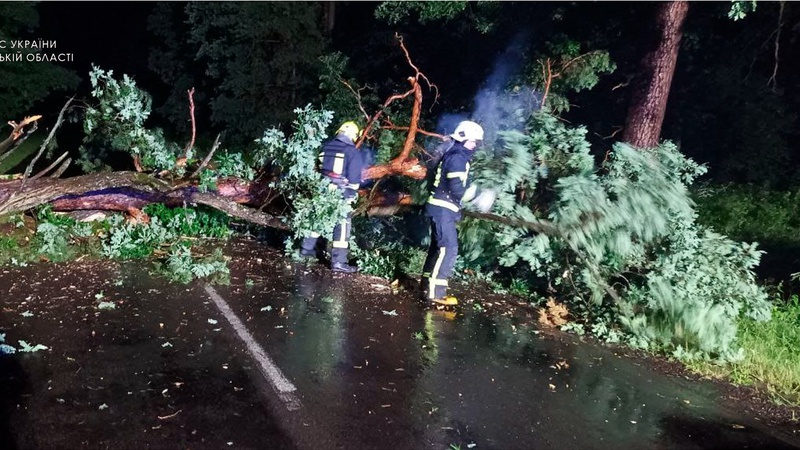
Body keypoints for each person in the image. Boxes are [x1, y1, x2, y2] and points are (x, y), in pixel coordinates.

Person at [420, 120, 487, 306]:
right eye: (474, 142)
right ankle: (435, 293)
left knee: (437, 248)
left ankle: (426, 286)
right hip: (443, 209)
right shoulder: (458, 157)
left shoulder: (454, 155)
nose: (475, 146)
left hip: (440, 208)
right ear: (464, 139)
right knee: (448, 248)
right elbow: (456, 188)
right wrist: (478, 198)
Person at [300, 121, 366, 273]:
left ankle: (306, 249)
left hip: (323, 190)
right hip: (340, 192)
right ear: (351, 135)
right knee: (343, 225)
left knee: (318, 218)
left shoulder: (327, 146)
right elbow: (355, 180)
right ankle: (339, 262)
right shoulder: (351, 151)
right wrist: (352, 193)